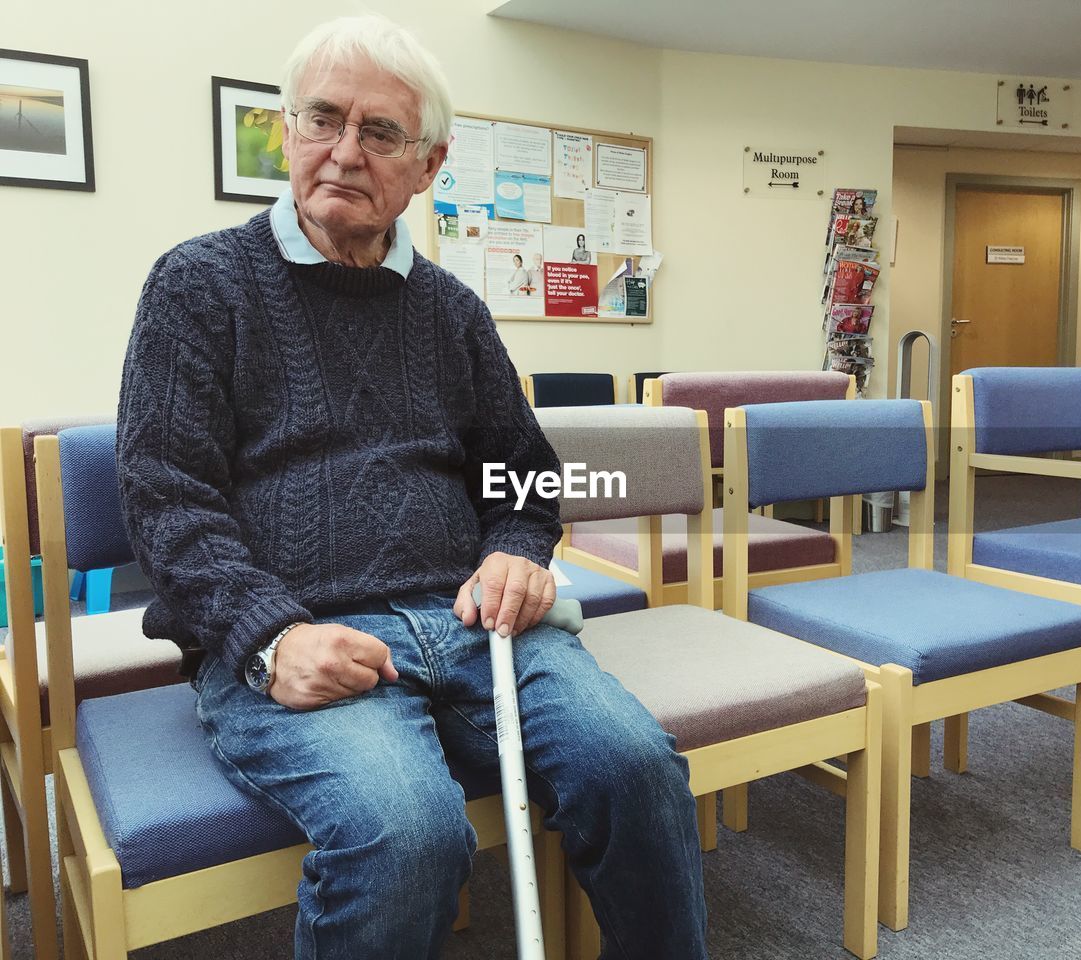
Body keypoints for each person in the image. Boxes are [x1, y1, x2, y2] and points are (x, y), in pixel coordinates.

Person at [115, 15, 706, 960]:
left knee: (633, 768)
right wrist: (270, 639)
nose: (345, 152)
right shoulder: (198, 286)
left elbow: (523, 475)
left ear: (429, 166)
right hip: (304, 627)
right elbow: (166, 498)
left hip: (472, 624)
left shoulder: (453, 311)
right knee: (410, 831)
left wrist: (516, 550)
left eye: (380, 133)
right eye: (322, 120)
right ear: (287, 130)